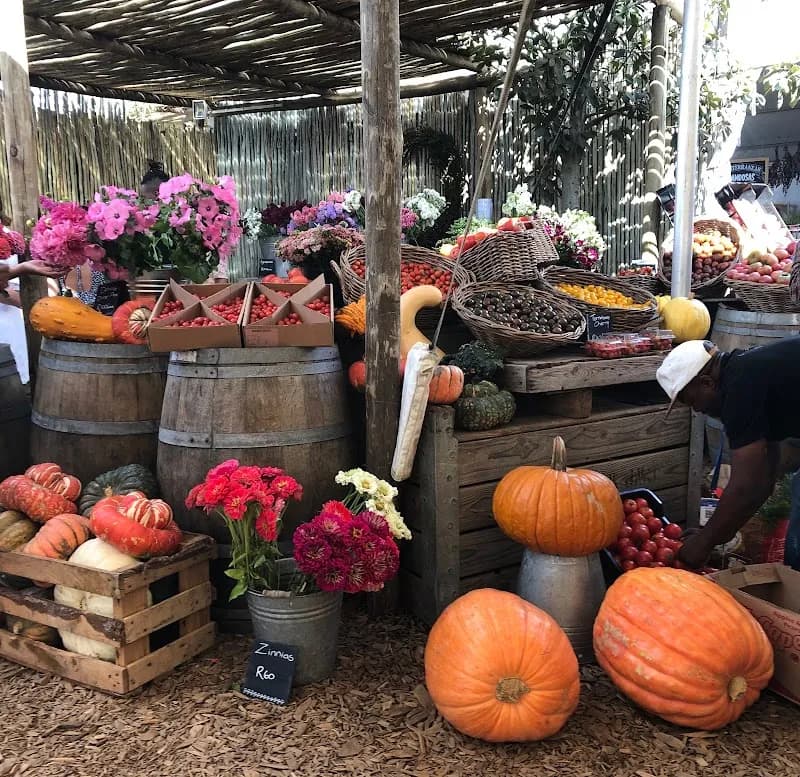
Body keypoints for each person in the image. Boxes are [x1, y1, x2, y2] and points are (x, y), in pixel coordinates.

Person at [656, 338, 800, 571]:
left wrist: (703, 543)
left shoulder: (740, 389)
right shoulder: (746, 374)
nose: (697, 410)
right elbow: (763, 481)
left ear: (707, 383)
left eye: (692, 401)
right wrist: (716, 533)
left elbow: (744, 485)